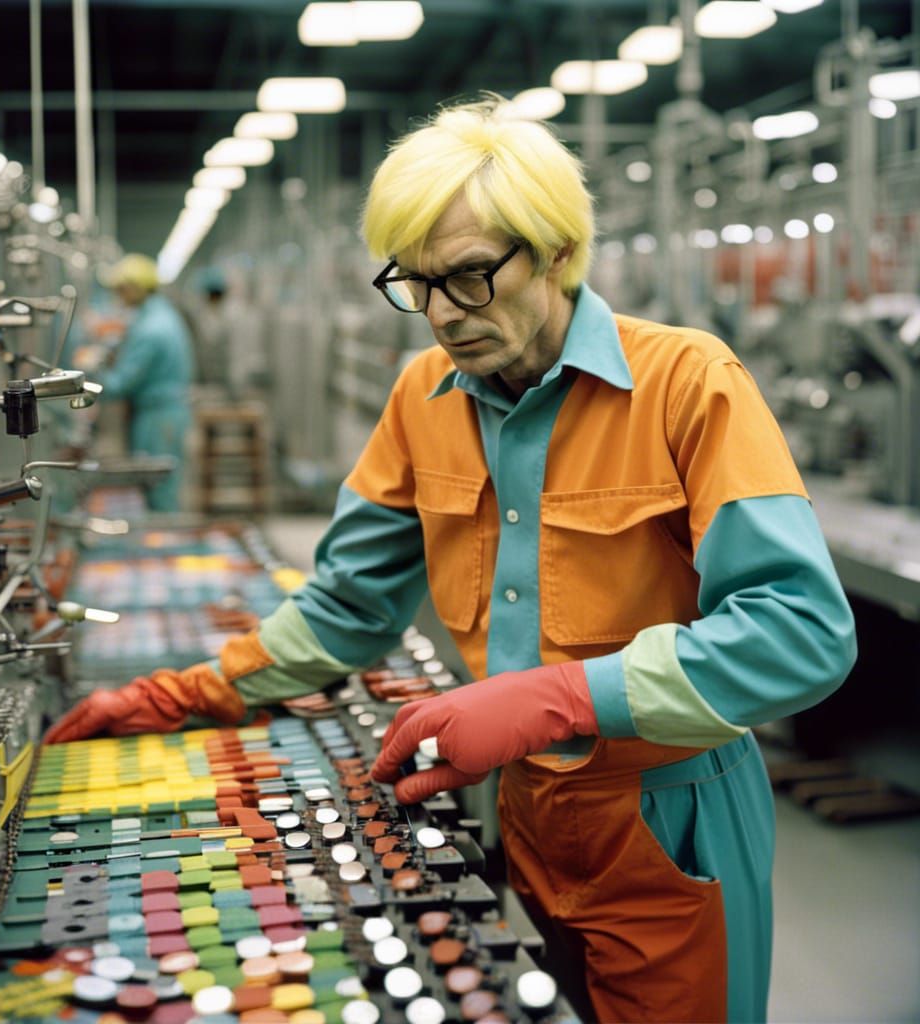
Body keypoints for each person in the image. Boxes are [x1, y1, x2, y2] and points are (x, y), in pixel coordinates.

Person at [48, 98, 856, 1022]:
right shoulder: (422, 396)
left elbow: (803, 633)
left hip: (668, 817)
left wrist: (561, 697)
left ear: (556, 251)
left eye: (471, 277)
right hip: (518, 814)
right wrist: (194, 692)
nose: (442, 315)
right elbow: (349, 602)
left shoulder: (686, 383)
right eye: (416, 284)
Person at [85, 253, 194, 512]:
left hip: (159, 417)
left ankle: (165, 546)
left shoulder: (151, 329)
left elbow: (120, 384)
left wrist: (89, 375)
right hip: (164, 412)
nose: (118, 296)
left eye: (121, 290)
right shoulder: (160, 316)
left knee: (159, 489)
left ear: (136, 288)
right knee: (159, 486)